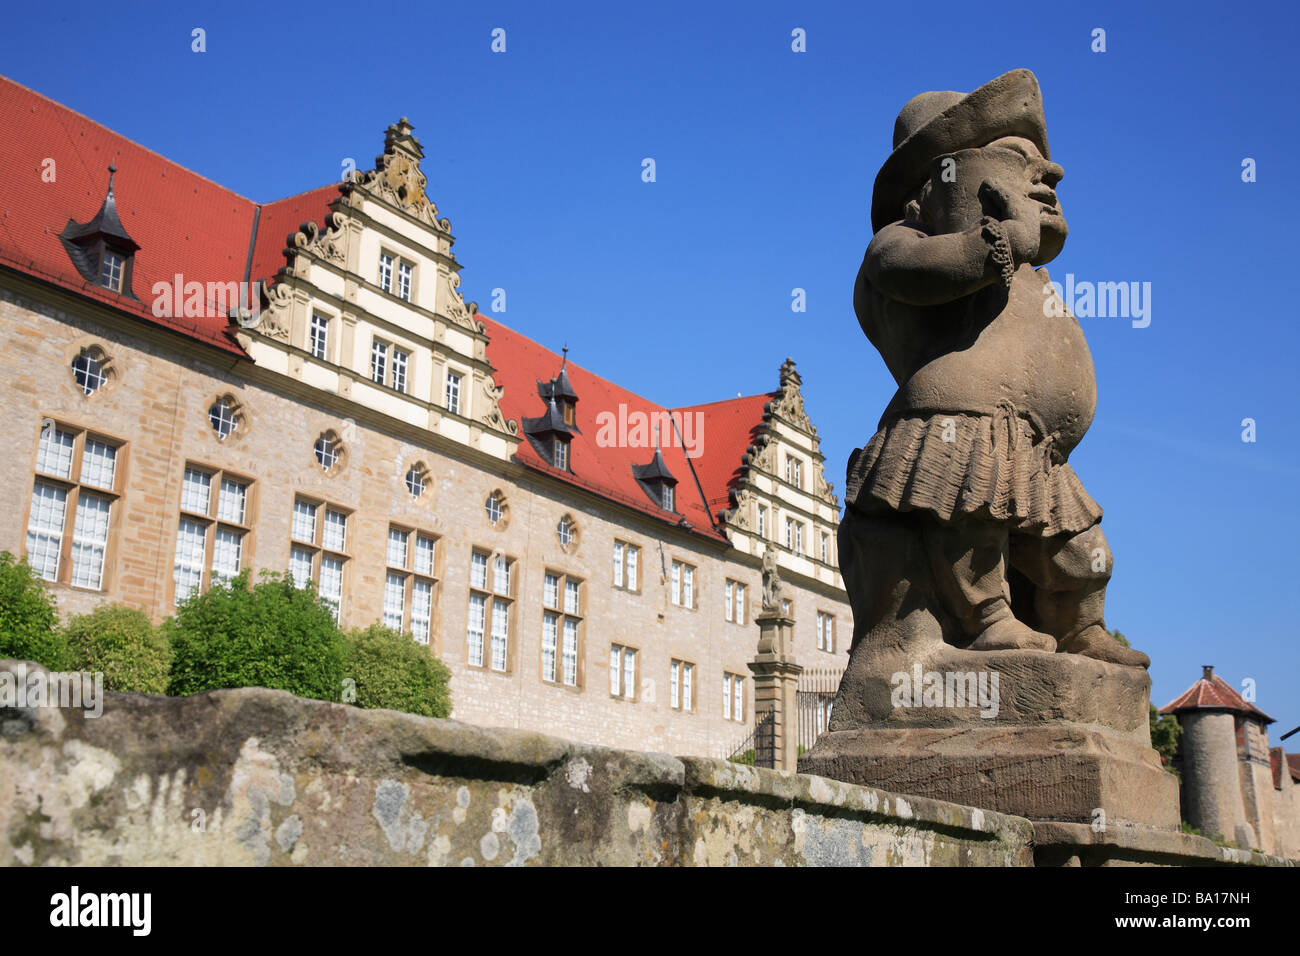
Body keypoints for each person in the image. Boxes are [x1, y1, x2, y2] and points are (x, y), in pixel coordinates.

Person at [848, 69, 1149, 668]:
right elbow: (914, 273)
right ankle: (988, 618)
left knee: (1084, 555)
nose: (1051, 173)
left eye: (1046, 160)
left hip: (1036, 447)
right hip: (958, 427)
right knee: (970, 525)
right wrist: (995, 246)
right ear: (939, 180)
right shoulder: (901, 242)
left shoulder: (1028, 277)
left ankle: (1082, 627)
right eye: (1016, 156)